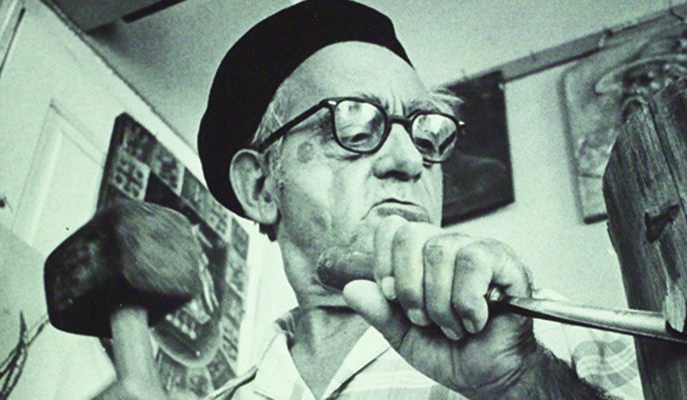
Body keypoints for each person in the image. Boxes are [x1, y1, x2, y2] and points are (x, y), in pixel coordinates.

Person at [194, 1, 643, 398]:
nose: (410, 160)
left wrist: (520, 383)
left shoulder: (557, 338)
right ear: (260, 187)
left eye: (425, 133)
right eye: (354, 126)